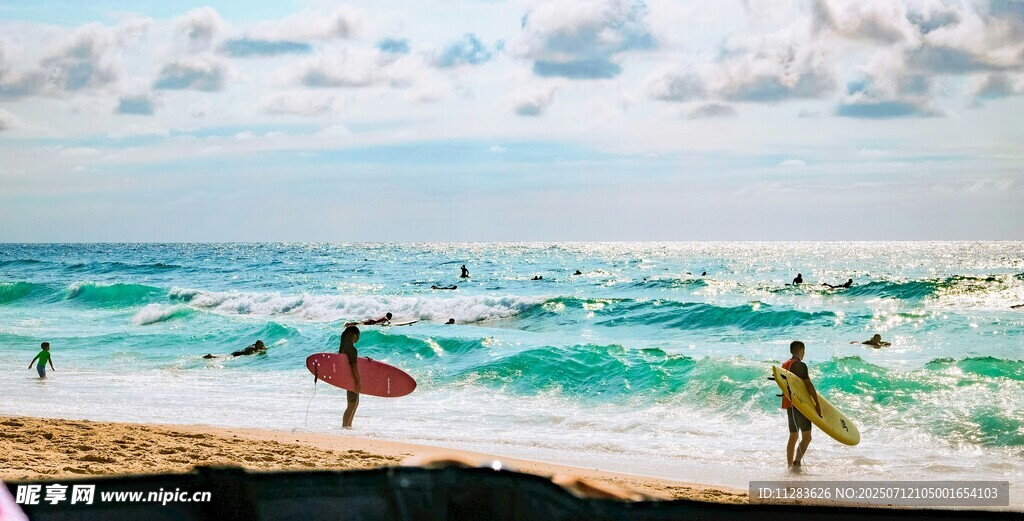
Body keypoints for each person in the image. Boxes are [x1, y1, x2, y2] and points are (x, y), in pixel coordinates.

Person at [782, 340, 820, 467]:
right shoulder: (800, 365)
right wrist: (817, 404)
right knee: (807, 437)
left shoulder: (785, 364)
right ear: (802, 350)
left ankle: (789, 466)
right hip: (800, 406)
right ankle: (797, 462)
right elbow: (808, 384)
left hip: (789, 404)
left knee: (793, 435)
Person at [339, 325, 361, 428]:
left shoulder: (344, 348)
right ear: (354, 335)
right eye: (358, 335)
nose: (359, 338)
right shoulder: (352, 349)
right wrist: (358, 382)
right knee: (352, 405)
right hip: (352, 379)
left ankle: (348, 426)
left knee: (354, 405)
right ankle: (345, 426)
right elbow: (353, 367)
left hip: (348, 379)